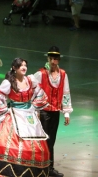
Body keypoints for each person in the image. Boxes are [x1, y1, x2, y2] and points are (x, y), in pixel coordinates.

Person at [0, 58, 50, 177]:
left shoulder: (30, 80)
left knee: (35, 143)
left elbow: (39, 93)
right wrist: (3, 111)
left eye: (25, 65)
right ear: (14, 68)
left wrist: (35, 107)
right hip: (15, 114)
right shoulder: (9, 82)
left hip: (29, 115)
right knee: (11, 142)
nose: (24, 67)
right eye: (21, 66)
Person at [34, 46, 73, 177]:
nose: (53, 61)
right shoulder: (41, 74)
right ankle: (42, 168)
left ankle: (49, 167)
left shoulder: (63, 74)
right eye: (51, 58)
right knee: (45, 140)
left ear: (58, 60)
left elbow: (66, 93)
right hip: (44, 111)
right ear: (48, 58)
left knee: (52, 140)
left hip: (55, 111)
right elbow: (33, 91)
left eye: (55, 59)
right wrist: (36, 109)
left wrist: (66, 112)